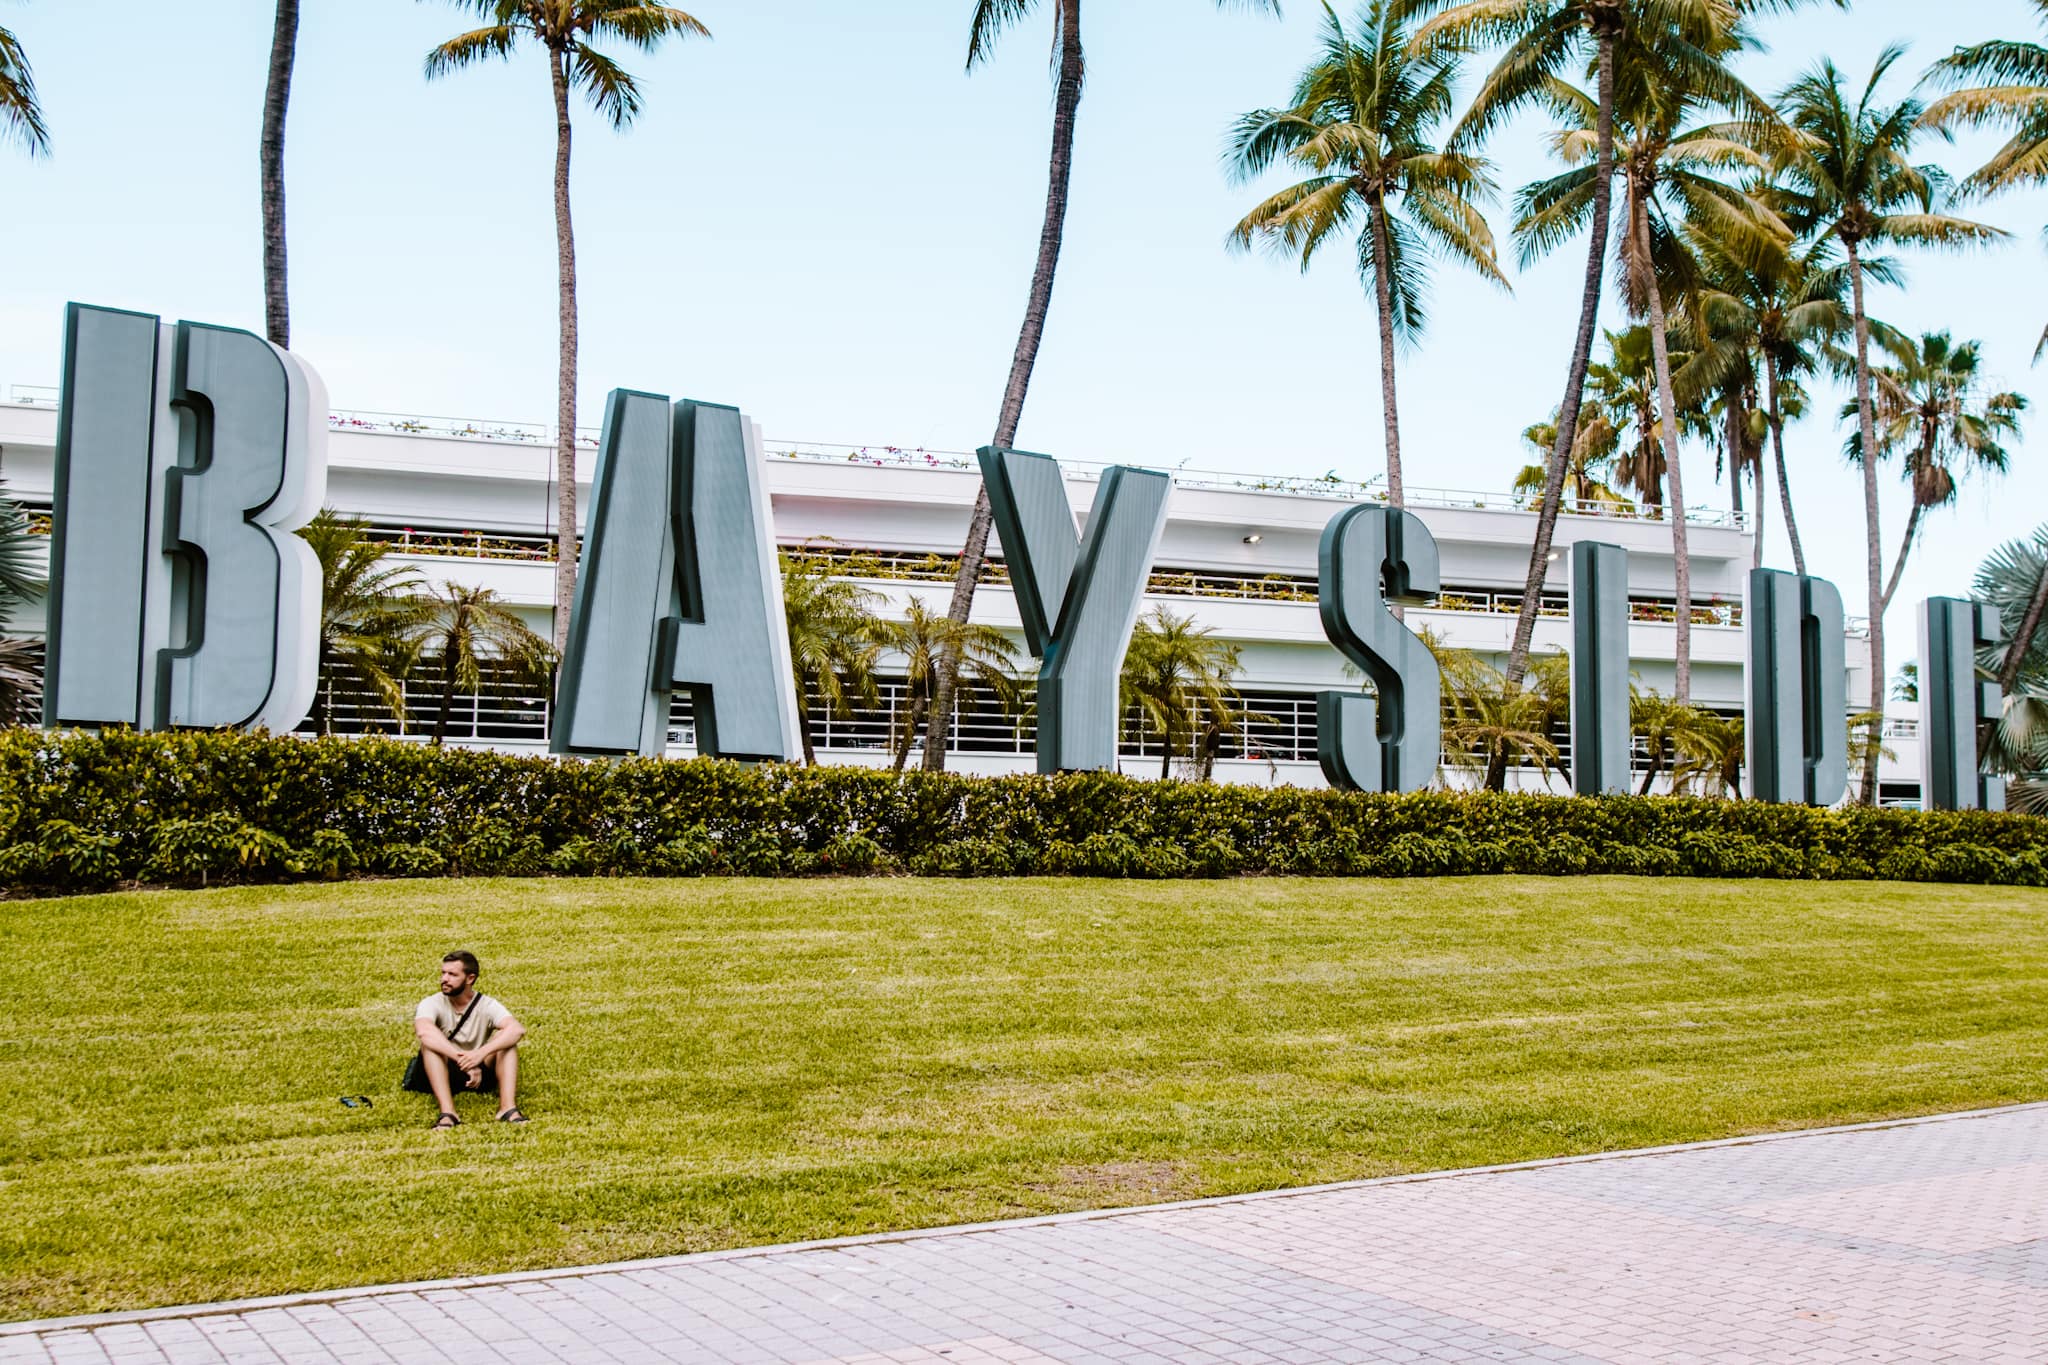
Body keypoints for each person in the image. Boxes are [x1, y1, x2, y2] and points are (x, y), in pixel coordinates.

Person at [407, 950, 527, 1128]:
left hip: (478, 1066)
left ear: (470, 979)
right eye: (443, 973)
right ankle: (448, 1113)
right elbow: (424, 1031)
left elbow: (517, 1029)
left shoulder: (487, 1004)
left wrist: (480, 1055)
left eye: (452, 974)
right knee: (429, 1045)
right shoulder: (431, 1002)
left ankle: (507, 1109)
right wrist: (464, 1060)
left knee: (507, 1041)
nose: (444, 979)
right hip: (444, 1066)